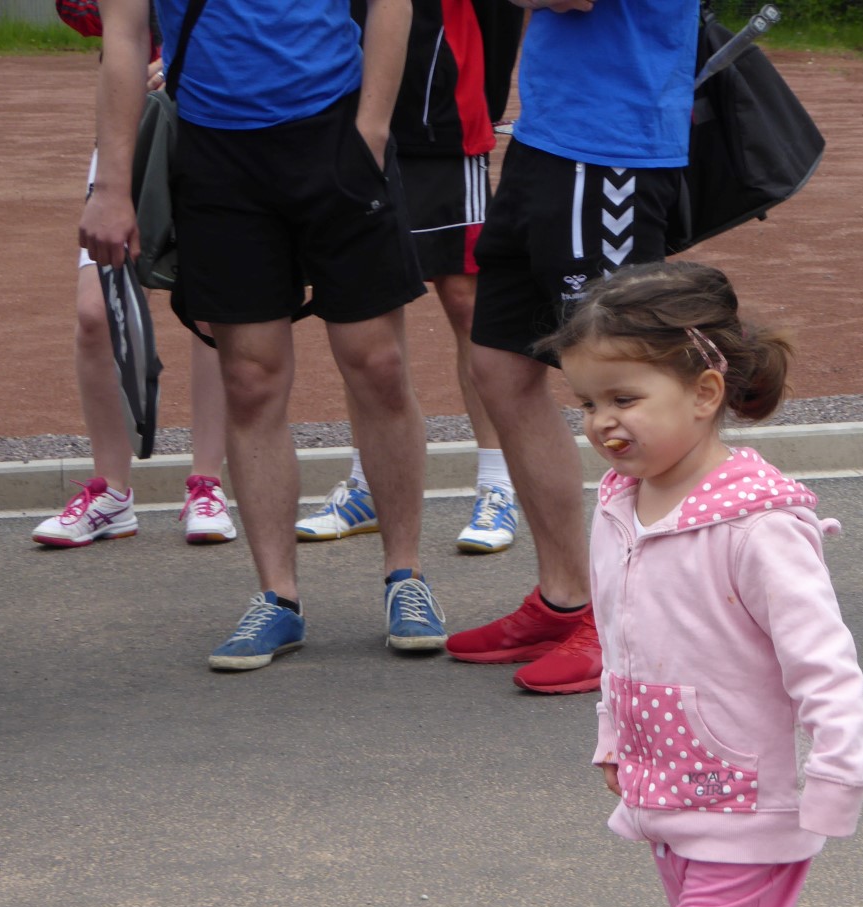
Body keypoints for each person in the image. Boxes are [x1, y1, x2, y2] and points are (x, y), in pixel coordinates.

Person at [545, 262, 863, 907]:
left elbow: (825, 663)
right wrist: (613, 736)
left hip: (750, 796)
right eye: (587, 403)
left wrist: (839, 775)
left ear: (703, 392)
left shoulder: (759, 524)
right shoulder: (620, 502)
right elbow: (621, 637)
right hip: (668, 781)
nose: (603, 423)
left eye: (625, 398)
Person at [81, 0, 447, 670]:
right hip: (216, 151)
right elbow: (126, 33)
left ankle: (406, 576)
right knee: (249, 380)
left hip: (335, 128)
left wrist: (370, 130)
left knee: (378, 364)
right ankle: (278, 596)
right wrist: (111, 185)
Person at [442, 0, 699, 693]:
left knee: (626, 386)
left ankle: (629, 616)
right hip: (549, 140)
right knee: (499, 366)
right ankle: (566, 599)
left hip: (611, 145)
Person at [298, 0, 525, 556]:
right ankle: (367, 485)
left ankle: (498, 484)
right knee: (365, 309)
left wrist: (480, 94)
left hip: (447, 121)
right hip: (351, 116)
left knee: (467, 299)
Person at [35, 1, 235, 547]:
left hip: (220, 119)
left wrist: (181, 57)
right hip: (131, 127)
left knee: (214, 313)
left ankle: (207, 484)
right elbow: (82, 14)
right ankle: (111, 493)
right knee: (97, 313)